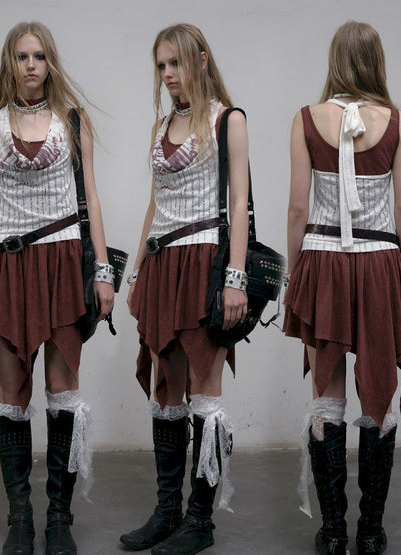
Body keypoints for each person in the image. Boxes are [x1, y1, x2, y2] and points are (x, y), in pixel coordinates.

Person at [0, 21, 114, 555]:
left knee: (63, 389)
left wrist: (102, 270)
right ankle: (21, 518)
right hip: (7, 264)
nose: (31, 65)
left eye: (39, 55)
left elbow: (92, 198)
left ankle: (59, 516)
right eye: (22, 57)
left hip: (62, 262)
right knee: (13, 392)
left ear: (50, 61)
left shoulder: (72, 120)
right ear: (10, 64)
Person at [120, 23, 249, 555]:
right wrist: (136, 272)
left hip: (204, 262)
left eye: (175, 63)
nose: (168, 74)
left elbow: (238, 203)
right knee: (168, 390)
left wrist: (236, 278)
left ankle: (201, 520)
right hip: (162, 263)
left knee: (206, 391)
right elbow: (156, 204)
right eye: (161, 66)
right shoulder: (160, 126)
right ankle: (167, 511)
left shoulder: (227, 119)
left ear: (200, 59)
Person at [283, 20, 401, 555]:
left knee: (325, 393)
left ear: (335, 60)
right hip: (379, 266)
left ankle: (333, 533)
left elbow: (297, 209)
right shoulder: (395, 123)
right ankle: (370, 533)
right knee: (379, 392)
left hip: (324, 264)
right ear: (376, 61)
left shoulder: (307, 119)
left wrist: (296, 279)